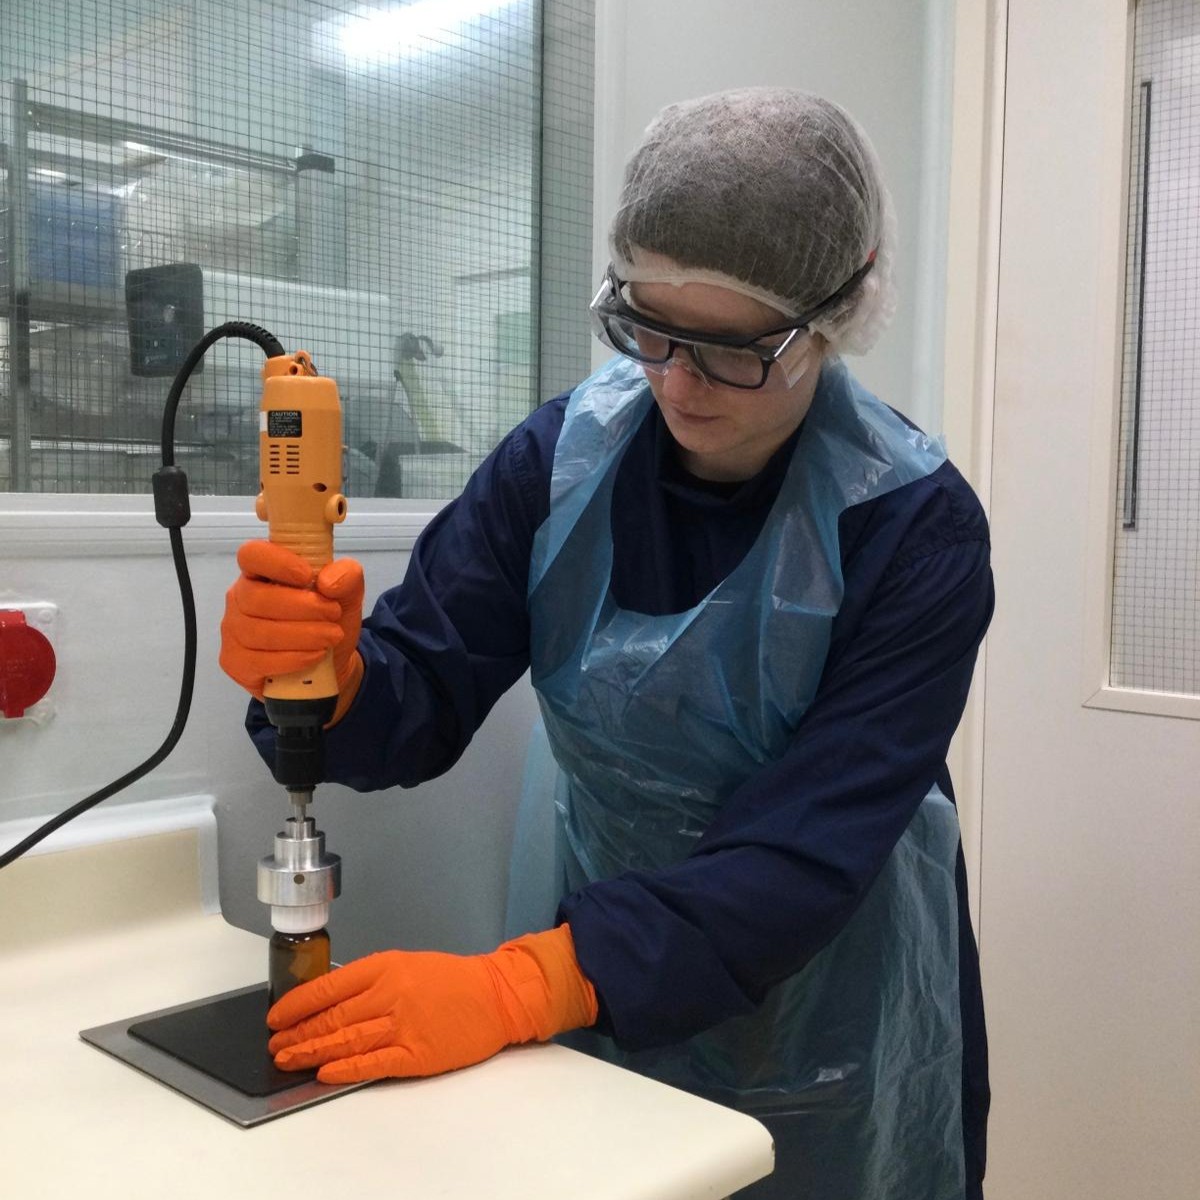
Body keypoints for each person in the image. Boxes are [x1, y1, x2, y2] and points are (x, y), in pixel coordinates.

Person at [220, 87, 992, 1200]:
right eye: (649, 326)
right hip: (603, 967)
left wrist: (517, 989)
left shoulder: (915, 527)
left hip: (832, 990)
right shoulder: (559, 462)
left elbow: (807, 846)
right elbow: (423, 685)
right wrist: (331, 681)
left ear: (837, 311)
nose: (676, 381)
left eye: (733, 350)